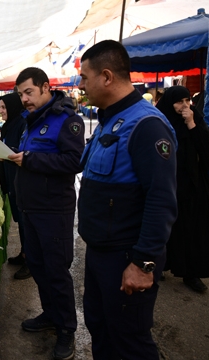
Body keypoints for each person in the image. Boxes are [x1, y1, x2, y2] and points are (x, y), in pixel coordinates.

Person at [77, 40, 177, 360]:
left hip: (126, 256)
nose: (80, 86)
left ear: (106, 77)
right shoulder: (110, 118)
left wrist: (143, 263)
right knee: (100, 326)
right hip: (101, 251)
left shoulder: (146, 125)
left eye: (84, 77)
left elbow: (161, 200)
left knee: (130, 340)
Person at [8, 67, 85, 360]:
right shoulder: (32, 121)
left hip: (54, 211)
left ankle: (67, 329)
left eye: (28, 92)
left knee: (56, 271)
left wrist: (29, 159)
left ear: (45, 87)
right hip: (30, 208)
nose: (24, 99)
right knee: (38, 268)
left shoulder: (68, 120)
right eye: (20, 95)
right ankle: (50, 315)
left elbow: (73, 161)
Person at [154, 86, 209, 292]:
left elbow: (206, 145)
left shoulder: (196, 119)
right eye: (179, 102)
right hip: (168, 184)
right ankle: (161, 264)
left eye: (187, 101)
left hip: (194, 184)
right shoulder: (161, 121)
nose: (184, 106)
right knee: (165, 227)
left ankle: (192, 273)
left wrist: (191, 124)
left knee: (194, 228)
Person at [0, 93, 30, 279]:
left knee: (26, 223)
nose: (1, 111)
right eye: (0, 107)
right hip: (10, 178)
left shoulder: (22, 124)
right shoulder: (8, 126)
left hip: (20, 180)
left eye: (4, 108)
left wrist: (7, 153)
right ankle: (24, 254)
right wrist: (1, 174)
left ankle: (30, 262)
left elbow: (21, 152)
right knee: (20, 222)